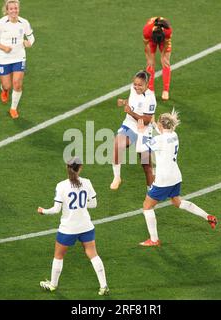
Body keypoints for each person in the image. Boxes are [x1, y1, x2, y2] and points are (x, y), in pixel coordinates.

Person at [135, 111, 218, 247]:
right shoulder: (174, 135)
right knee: (177, 202)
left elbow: (139, 148)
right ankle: (208, 216)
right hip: (175, 176)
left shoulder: (160, 140)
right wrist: (154, 125)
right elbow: (162, 134)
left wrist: (140, 132)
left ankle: (154, 239)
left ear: (161, 125)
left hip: (164, 179)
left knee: (147, 206)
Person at [37, 157, 109, 296]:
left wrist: (43, 211)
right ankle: (103, 285)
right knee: (93, 255)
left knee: (58, 256)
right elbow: (94, 204)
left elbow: (56, 209)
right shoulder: (87, 182)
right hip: (86, 226)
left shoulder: (61, 185)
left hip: (68, 229)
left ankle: (53, 285)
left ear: (67, 167)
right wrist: (81, 206)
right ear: (80, 168)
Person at [0, 0, 35, 119]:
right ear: (7, 10)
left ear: (18, 9)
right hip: (4, 58)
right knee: (7, 85)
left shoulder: (24, 22)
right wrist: (2, 47)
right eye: (11, 9)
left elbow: (31, 37)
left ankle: (13, 108)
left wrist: (28, 43)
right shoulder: (1, 23)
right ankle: (4, 90)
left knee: (17, 84)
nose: (14, 10)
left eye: (16, 8)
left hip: (19, 57)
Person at [110, 70, 156, 190]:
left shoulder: (150, 98)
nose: (136, 87)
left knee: (146, 166)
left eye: (140, 85)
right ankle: (117, 177)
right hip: (130, 124)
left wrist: (131, 112)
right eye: (135, 84)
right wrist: (124, 102)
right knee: (116, 145)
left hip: (144, 130)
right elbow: (134, 102)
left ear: (147, 84)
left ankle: (151, 192)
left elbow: (146, 120)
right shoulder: (133, 89)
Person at [143, 17, 173, 101]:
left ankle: (166, 90)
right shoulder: (147, 31)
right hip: (150, 42)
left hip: (164, 40)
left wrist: (163, 55)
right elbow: (146, 44)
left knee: (165, 62)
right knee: (150, 63)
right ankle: (150, 90)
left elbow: (167, 43)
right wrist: (149, 58)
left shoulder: (168, 30)